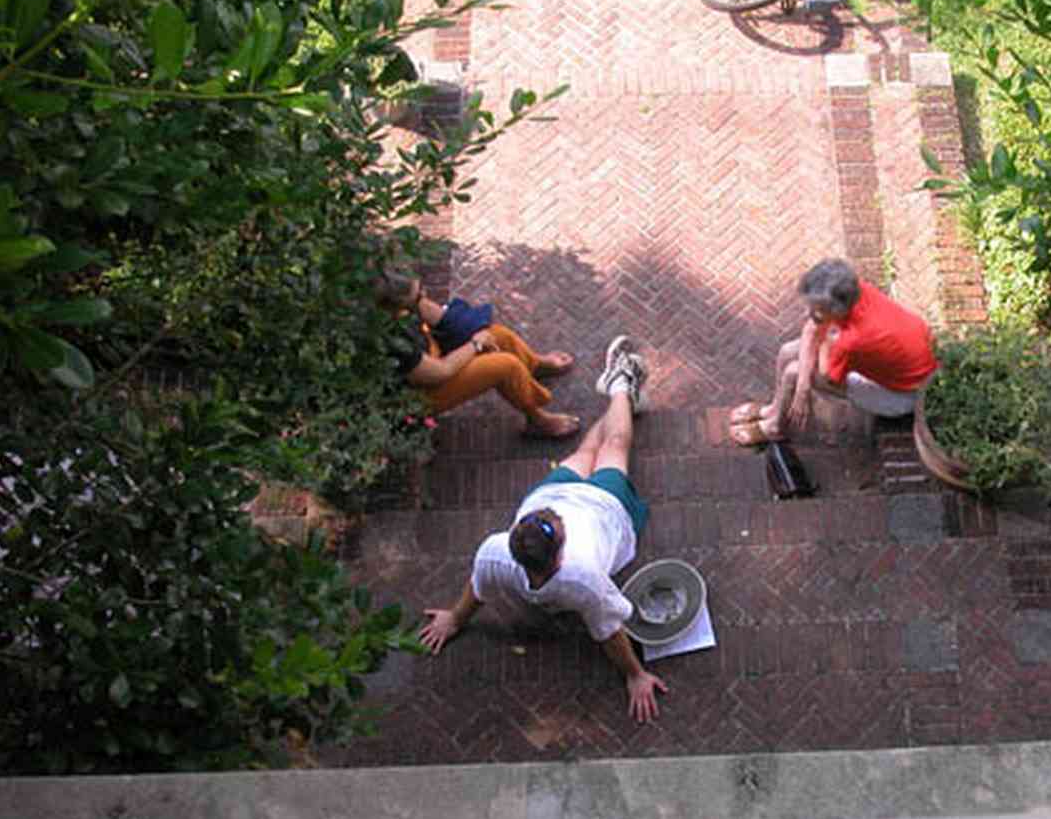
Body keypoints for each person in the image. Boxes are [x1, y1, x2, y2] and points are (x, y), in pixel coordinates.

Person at [419, 336, 669, 722]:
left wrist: (455, 618)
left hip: (554, 492)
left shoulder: (496, 552)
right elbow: (609, 632)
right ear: (559, 550)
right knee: (615, 446)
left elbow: (477, 586)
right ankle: (621, 384)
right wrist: (634, 674)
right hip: (604, 508)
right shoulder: (582, 581)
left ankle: (617, 398)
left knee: (590, 453)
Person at [728, 258, 938, 445]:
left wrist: (803, 381)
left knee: (793, 372)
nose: (810, 313)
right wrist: (802, 390)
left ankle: (775, 428)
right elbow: (812, 328)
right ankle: (773, 410)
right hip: (911, 362)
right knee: (787, 352)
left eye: (817, 309)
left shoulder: (852, 340)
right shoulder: (855, 291)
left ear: (835, 310)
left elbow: (829, 377)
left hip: (903, 394)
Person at [378, 270, 580, 438]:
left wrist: (476, 329)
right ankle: (537, 419)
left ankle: (534, 365)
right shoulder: (394, 341)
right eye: (417, 297)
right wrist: (476, 344)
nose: (423, 295)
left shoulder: (404, 303)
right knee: (504, 367)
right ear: (393, 308)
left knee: (498, 335)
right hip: (421, 392)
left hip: (432, 353)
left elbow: (441, 318)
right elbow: (441, 371)